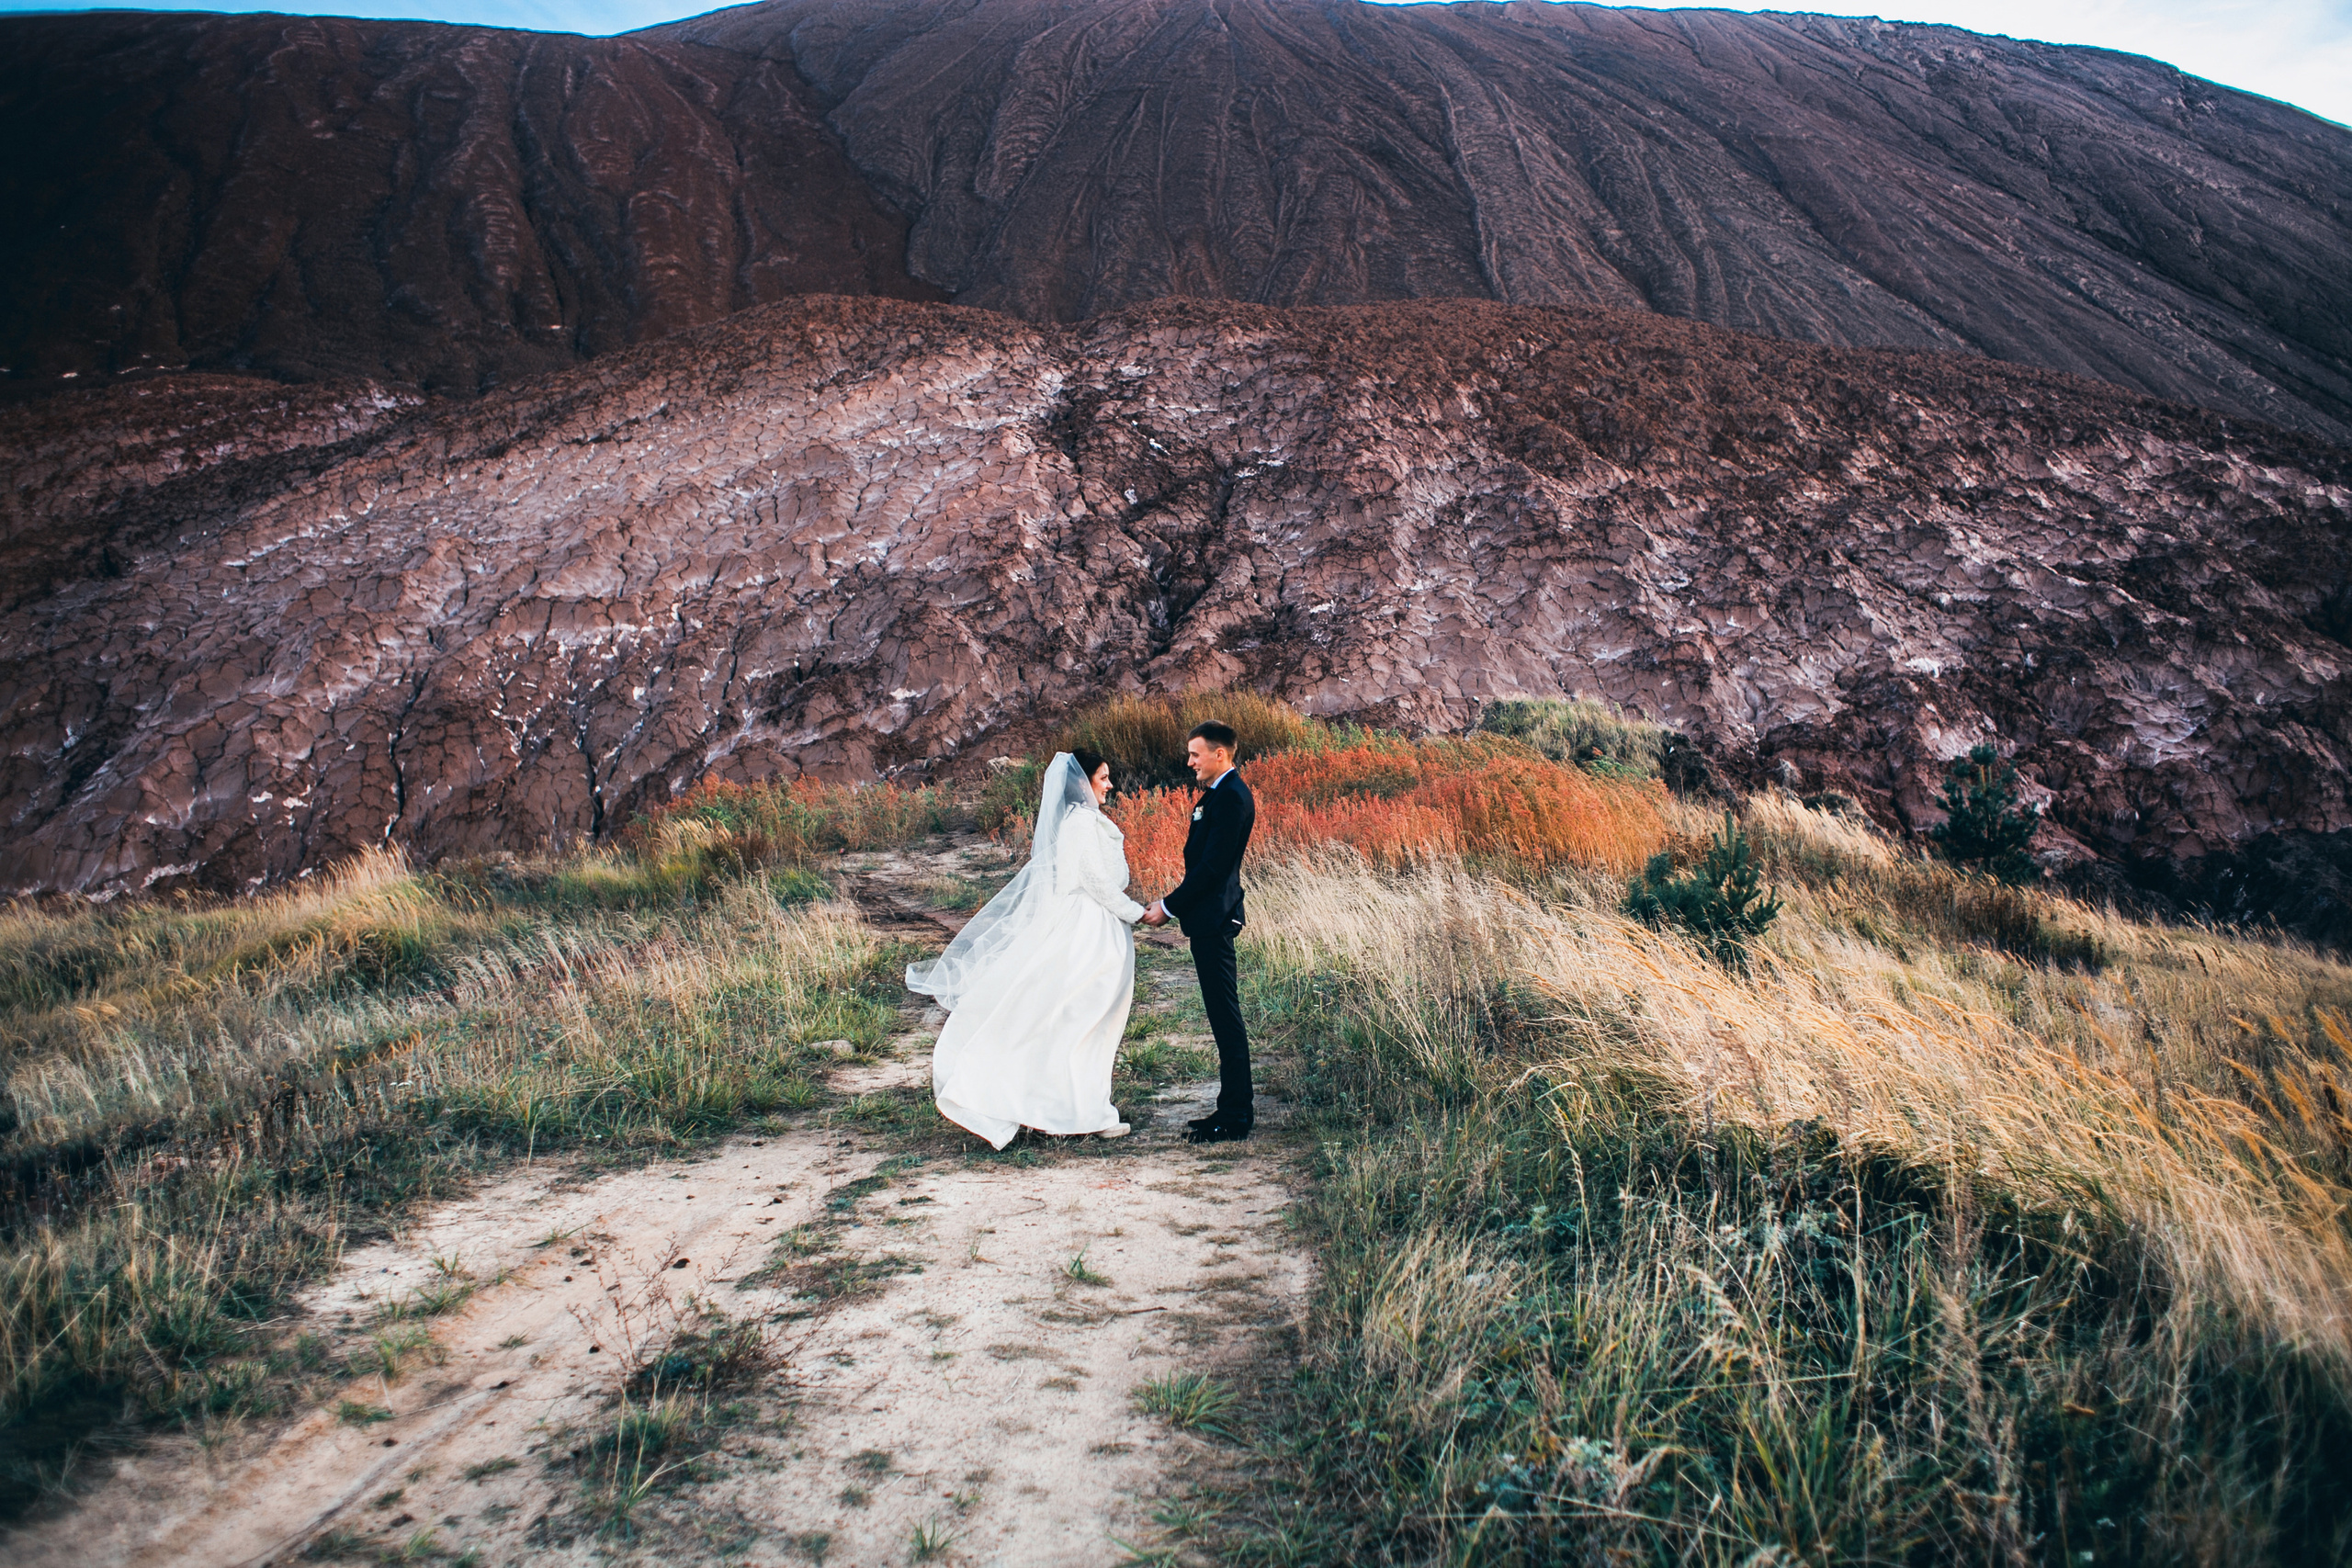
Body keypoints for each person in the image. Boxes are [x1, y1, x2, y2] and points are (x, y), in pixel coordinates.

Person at [908, 750, 1144, 1148]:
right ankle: (1073, 1109)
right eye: (1103, 778)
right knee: (1081, 1018)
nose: (1109, 785)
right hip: (1085, 930)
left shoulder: (1085, 822)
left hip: (1090, 924)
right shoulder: (1082, 824)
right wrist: (1138, 913)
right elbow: (1096, 882)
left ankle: (1077, 1107)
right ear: (1083, 783)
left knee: (1081, 1019)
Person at [1142, 721, 1257, 1144]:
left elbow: (1212, 869)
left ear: (1220, 754)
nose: (1189, 762)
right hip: (1209, 919)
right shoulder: (1216, 794)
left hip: (1216, 919)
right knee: (1220, 1016)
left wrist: (1169, 908)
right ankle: (1230, 1109)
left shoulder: (1230, 797)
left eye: (1195, 754)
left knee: (1226, 1018)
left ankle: (1236, 1116)